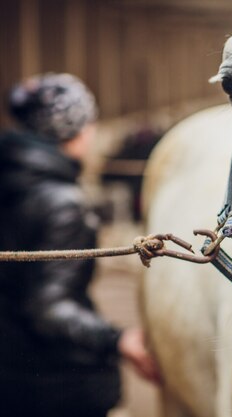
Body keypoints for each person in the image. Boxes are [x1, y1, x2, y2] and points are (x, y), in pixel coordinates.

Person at [0, 73, 159, 417]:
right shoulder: (63, 203)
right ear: (71, 130)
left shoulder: (11, 179)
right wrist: (117, 340)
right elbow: (49, 308)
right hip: (56, 384)